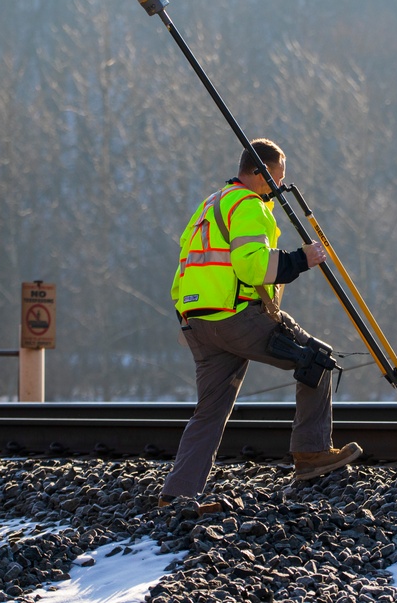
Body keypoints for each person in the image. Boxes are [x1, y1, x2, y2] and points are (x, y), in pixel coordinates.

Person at [159, 138, 361, 513]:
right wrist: (303, 258)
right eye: (274, 178)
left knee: (210, 411)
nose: (278, 187)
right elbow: (252, 266)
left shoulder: (210, 204)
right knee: (316, 359)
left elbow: (184, 268)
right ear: (256, 172)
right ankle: (312, 454)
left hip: (197, 323)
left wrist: (191, 317)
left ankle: (176, 496)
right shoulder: (250, 206)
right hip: (237, 317)